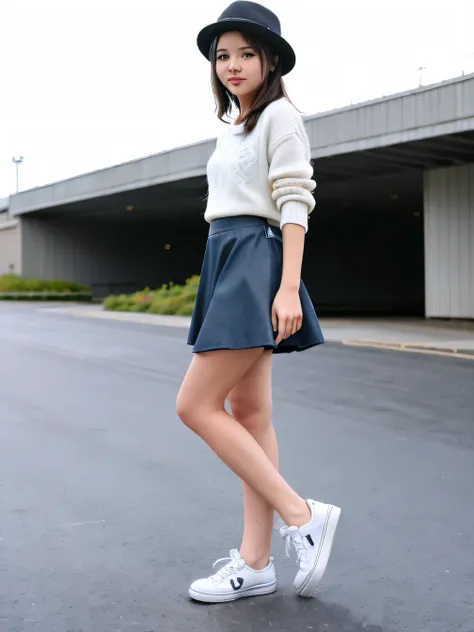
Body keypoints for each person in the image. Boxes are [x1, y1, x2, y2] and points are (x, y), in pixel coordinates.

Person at [176, 0, 341, 603]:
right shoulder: (235, 127)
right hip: (226, 258)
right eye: (224, 55)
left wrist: (288, 285)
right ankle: (257, 562)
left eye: (246, 53)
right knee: (250, 417)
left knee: (194, 405)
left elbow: (295, 200)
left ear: (271, 60)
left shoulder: (279, 118)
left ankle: (303, 517)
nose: (233, 64)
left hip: (256, 259)